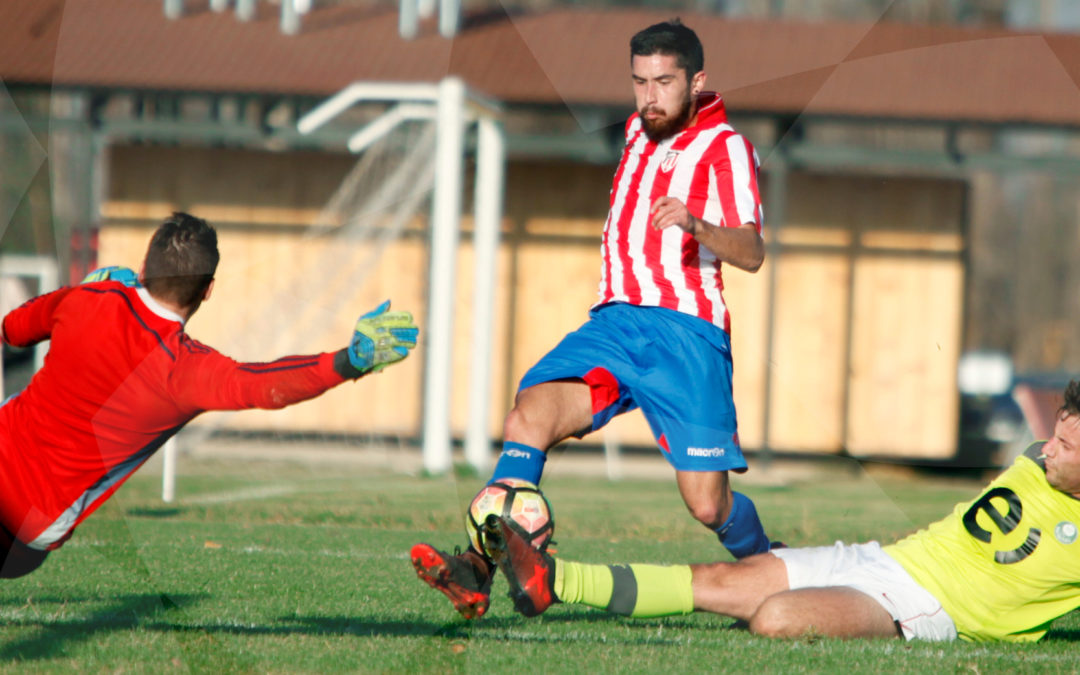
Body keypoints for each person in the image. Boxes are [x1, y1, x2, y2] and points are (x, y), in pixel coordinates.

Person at [412, 18, 776, 619]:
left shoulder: (726, 148)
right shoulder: (636, 130)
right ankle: (477, 571)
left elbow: (753, 252)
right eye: (639, 82)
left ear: (697, 81)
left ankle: (775, 567)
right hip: (613, 325)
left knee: (708, 506)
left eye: (663, 82)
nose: (649, 97)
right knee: (527, 417)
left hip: (685, 333)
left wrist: (695, 225)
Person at [484, 380, 1080, 643]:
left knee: (775, 619)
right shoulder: (1038, 459)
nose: (1046, 449)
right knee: (720, 580)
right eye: (1056, 433)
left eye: (1067, 447)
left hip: (925, 609)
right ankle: (552, 579)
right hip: (885, 561)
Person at [0, 212, 418, 579]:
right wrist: (351, 361)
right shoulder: (188, 370)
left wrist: (82, 293)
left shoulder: (90, 298)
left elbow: (13, 329)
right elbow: (265, 385)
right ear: (208, 291)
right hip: (26, 529)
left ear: (143, 266)